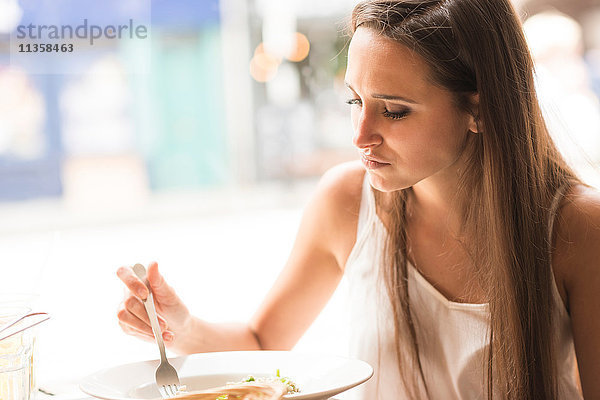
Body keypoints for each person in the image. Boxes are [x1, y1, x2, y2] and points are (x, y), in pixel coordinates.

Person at [116, 0, 600, 399]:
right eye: (354, 101)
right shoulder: (345, 201)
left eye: (394, 111)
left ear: (479, 108)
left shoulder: (578, 227)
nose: (361, 135)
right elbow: (263, 344)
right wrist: (181, 324)